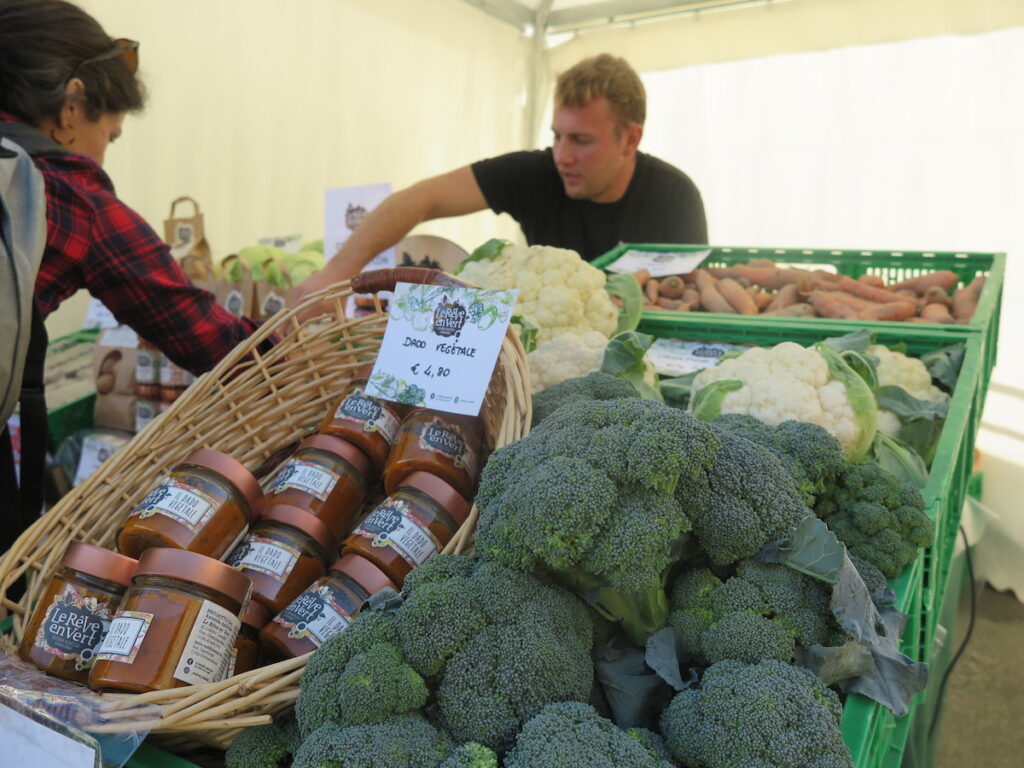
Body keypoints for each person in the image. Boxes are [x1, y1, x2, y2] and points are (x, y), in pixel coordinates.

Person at [0, 0, 260, 542]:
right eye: (110, 135)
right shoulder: (66, 192)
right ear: (72, 105)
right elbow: (211, 339)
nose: (104, 155)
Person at [294, 53, 707, 305]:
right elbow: (421, 199)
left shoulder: (676, 197)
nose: (562, 156)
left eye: (581, 141)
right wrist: (334, 274)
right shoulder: (535, 173)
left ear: (629, 139)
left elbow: (691, 298)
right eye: (556, 136)